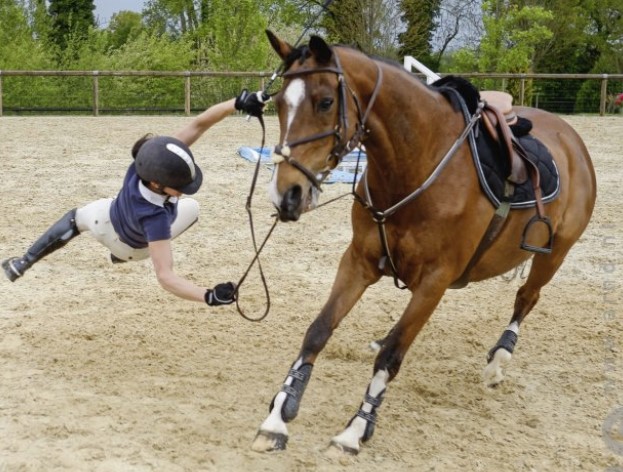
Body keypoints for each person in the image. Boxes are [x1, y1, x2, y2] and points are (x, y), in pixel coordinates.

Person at [2, 89, 270, 307]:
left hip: (107, 217)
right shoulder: (156, 219)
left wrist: (238, 102)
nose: (183, 189)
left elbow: (199, 124)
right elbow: (166, 277)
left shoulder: (148, 161)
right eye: (179, 187)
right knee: (193, 208)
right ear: (158, 183)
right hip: (133, 249)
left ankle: (22, 262)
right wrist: (208, 295)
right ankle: (119, 255)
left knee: (76, 217)